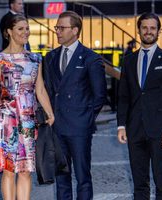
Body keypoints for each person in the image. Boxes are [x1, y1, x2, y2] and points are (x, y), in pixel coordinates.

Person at [0, 14, 54, 200]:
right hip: (5, 120)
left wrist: (50, 113)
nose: (26, 32)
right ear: (9, 32)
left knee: (25, 170)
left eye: (27, 28)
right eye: (20, 29)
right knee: (8, 169)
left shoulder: (35, 59)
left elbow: (40, 89)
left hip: (28, 120)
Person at [43, 11, 107, 200]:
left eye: (62, 28)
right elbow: (46, 90)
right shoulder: (51, 57)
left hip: (79, 128)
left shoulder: (90, 58)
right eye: (57, 27)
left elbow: (99, 95)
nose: (58, 31)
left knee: (82, 177)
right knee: (61, 178)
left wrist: (85, 119)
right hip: (57, 127)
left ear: (75, 30)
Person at [117, 12, 162, 199]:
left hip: (160, 130)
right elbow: (123, 96)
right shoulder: (129, 61)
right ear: (139, 30)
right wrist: (121, 125)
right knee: (139, 183)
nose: (148, 31)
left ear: (158, 31)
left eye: (152, 28)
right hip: (134, 129)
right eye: (145, 28)